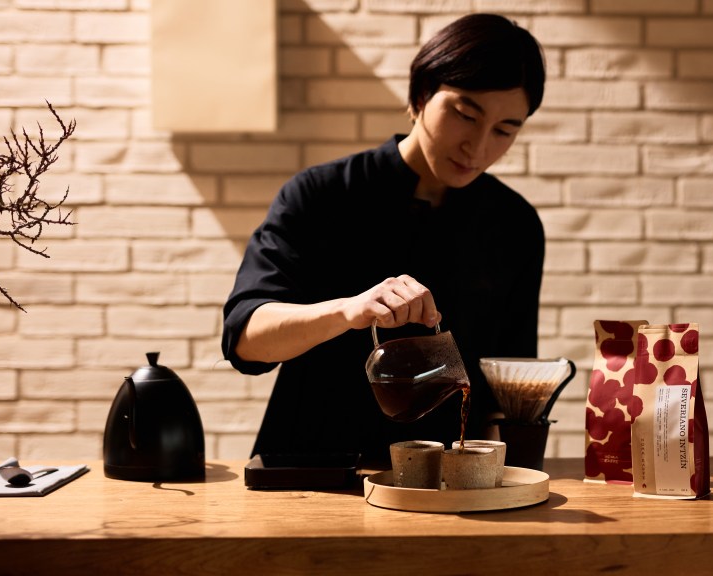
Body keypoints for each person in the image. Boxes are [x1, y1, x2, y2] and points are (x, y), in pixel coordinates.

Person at [222, 13, 547, 464]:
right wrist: (349, 310)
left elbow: (505, 384)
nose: (478, 147)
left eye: (504, 130)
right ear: (419, 96)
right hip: (313, 471)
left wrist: (505, 483)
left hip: (450, 481)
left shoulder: (514, 224)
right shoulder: (322, 195)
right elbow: (247, 339)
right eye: (464, 114)